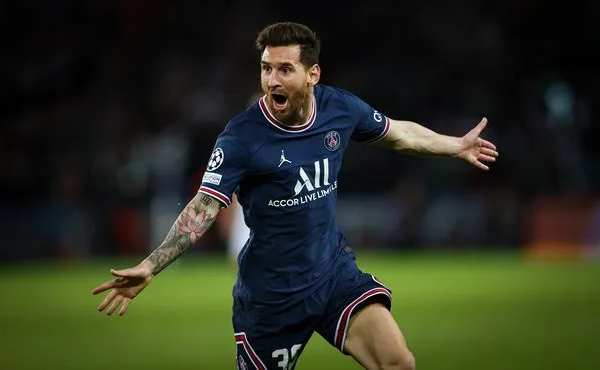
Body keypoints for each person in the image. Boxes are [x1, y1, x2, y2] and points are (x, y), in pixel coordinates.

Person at [92, 22, 499, 369]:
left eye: (285, 69)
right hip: (271, 299)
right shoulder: (240, 138)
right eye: (266, 68)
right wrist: (151, 265)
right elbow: (203, 207)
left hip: (332, 275)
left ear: (312, 74)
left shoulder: (339, 109)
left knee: (399, 362)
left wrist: (455, 146)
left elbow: (399, 134)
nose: (272, 80)